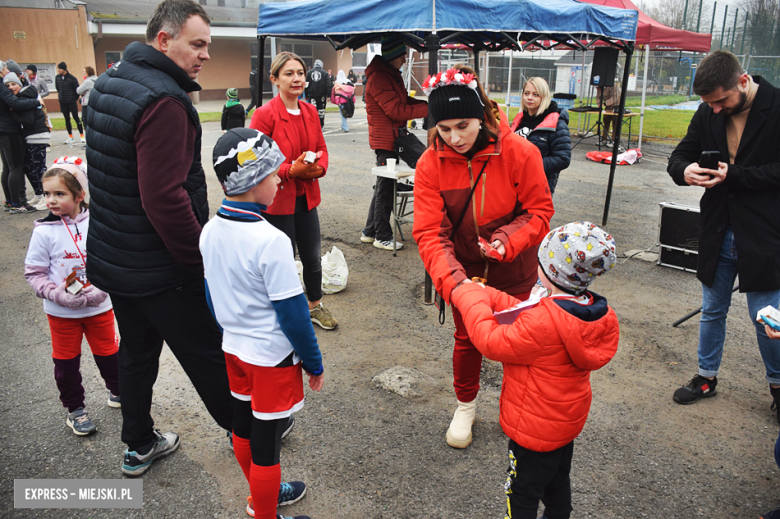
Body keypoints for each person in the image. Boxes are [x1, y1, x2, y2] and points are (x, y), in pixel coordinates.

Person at [85, 0, 236, 477]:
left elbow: (117, 177)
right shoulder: (164, 101)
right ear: (164, 39)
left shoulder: (110, 80)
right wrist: (198, 262)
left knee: (136, 352)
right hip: (159, 264)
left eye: (207, 45)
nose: (206, 55)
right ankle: (250, 434)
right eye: (198, 44)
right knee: (208, 353)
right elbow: (164, 199)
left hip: (117, 257)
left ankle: (138, 442)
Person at [413, 65, 555, 449]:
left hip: (516, 266)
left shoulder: (520, 152)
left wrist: (509, 240)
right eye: (444, 129)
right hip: (465, 270)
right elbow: (429, 232)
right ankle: (466, 406)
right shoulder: (429, 163)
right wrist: (455, 284)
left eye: (463, 125)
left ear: (481, 115)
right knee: (467, 339)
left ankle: (517, 405)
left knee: (522, 342)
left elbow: (540, 210)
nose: (455, 137)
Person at [451, 221, 619, 519]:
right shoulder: (583, 308)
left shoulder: (542, 323)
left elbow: (491, 342)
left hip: (534, 430)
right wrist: (488, 294)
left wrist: (470, 297)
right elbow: (526, 311)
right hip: (564, 424)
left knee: (522, 491)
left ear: (548, 270)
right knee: (556, 481)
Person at [202, 128, 321, 519]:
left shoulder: (210, 230)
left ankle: (260, 495)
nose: (279, 182)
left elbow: (210, 294)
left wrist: (230, 330)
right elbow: (294, 313)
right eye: (274, 175)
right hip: (270, 357)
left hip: (234, 348)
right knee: (267, 444)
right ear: (254, 181)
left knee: (242, 427)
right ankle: (266, 512)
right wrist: (313, 361)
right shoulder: (270, 240)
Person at [667, 50, 780, 422]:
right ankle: (706, 376)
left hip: (764, 233)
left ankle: (778, 386)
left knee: (768, 317)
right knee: (712, 310)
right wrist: (686, 171)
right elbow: (679, 155)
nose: (714, 110)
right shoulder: (708, 111)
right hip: (717, 229)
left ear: (743, 82)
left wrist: (734, 175)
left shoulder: (776, 106)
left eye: (720, 101)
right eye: (707, 103)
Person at [24, 157, 120, 437]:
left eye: (59, 194)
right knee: (66, 364)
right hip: (62, 312)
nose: (51, 200)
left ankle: (117, 391)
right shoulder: (44, 232)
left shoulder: (99, 223)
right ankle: (75, 409)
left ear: (80, 195)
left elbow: (113, 261)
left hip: (99, 307)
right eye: (47, 194)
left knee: (110, 355)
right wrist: (59, 295)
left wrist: (103, 289)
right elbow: (34, 274)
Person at [250, 52, 337, 331]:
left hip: (307, 197)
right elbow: (257, 160)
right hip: (277, 201)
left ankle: (315, 306)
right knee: (283, 260)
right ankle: (285, 311)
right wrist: (289, 171)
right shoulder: (264, 115)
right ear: (274, 79)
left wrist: (318, 168)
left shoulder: (310, 111)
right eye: (289, 73)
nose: (297, 78)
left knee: (312, 256)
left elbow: (321, 148)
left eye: (300, 72)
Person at [362, 35, 428, 251]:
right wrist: (428, 109)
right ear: (392, 56)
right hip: (386, 139)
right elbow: (396, 110)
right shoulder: (380, 78)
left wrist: (427, 102)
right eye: (402, 55)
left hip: (392, 136)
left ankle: (370, 231)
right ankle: (382, 235)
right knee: (386, 188)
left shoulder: (390, 75)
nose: (405, 59)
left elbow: (403, 102)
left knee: (384, 185)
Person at [510, 77, 571, 196]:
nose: (529, 97)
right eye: (526, 93)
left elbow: (563, 159)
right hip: (515, 185)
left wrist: (528, 166)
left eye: (535, 94)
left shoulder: (556, 122)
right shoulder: (519, 119)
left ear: (544, 96)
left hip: (538, 188)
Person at [0, 60, 40, 213]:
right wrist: (35, 102)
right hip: (9, 131)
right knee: (16, 167)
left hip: (3, 131)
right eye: (4, 67)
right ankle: (17, 204)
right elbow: (15, 104)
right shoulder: (2, 87)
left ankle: (10, 201)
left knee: (8, 168)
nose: (6, 70)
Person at [6, 72, 49, 211]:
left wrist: (13, 113)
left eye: (13, 84)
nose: (11, 87)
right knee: (29, 167)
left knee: (38, 168)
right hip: (32, 136)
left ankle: (46, 196)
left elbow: (28, 120)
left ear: (20, 82)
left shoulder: (25, 96)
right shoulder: (23, 96)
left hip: (37, 136)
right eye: (7, 85)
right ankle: (38, 194)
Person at [55, 62, 83, 145]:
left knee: (76, 118)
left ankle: (82, 135)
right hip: (63, 102)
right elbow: (58, 88)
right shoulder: (58, 78)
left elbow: (77, 90)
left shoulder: (72, 78)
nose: (58, 70)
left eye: (60, 68)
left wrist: (74, 99)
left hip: (71, 102)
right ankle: (70, 136)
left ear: (64, 69)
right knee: (67, 119)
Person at [304, 59, 330, 128]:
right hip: (322, 95)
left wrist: (306, 94)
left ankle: (313, 125)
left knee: (312, 110)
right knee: (321, 110)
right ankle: (321, 125)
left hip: (312, 95)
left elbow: (306, 84)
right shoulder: (325, 73)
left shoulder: (309, 73)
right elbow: (328, 85)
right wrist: (328, 95)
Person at [76, 66, 97, 149]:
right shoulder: (97, 80)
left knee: (86, 123)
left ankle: (89, 143)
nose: (83, 74)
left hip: (86, 104)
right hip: (95, 103)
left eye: (84, 72)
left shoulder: (87, 81)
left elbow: (78, 90)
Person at [597, 80, 620, 148]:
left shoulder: (613, 86)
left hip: (616, 106)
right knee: (606, 121)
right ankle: (604, 138)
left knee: (615, 123)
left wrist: (604, 103)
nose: (597, 89)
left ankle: (614, 140)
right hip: (608, 106)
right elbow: (598, 96)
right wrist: (599, 103)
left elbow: (615, 98)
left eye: (598, 88)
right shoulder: (599, 88)